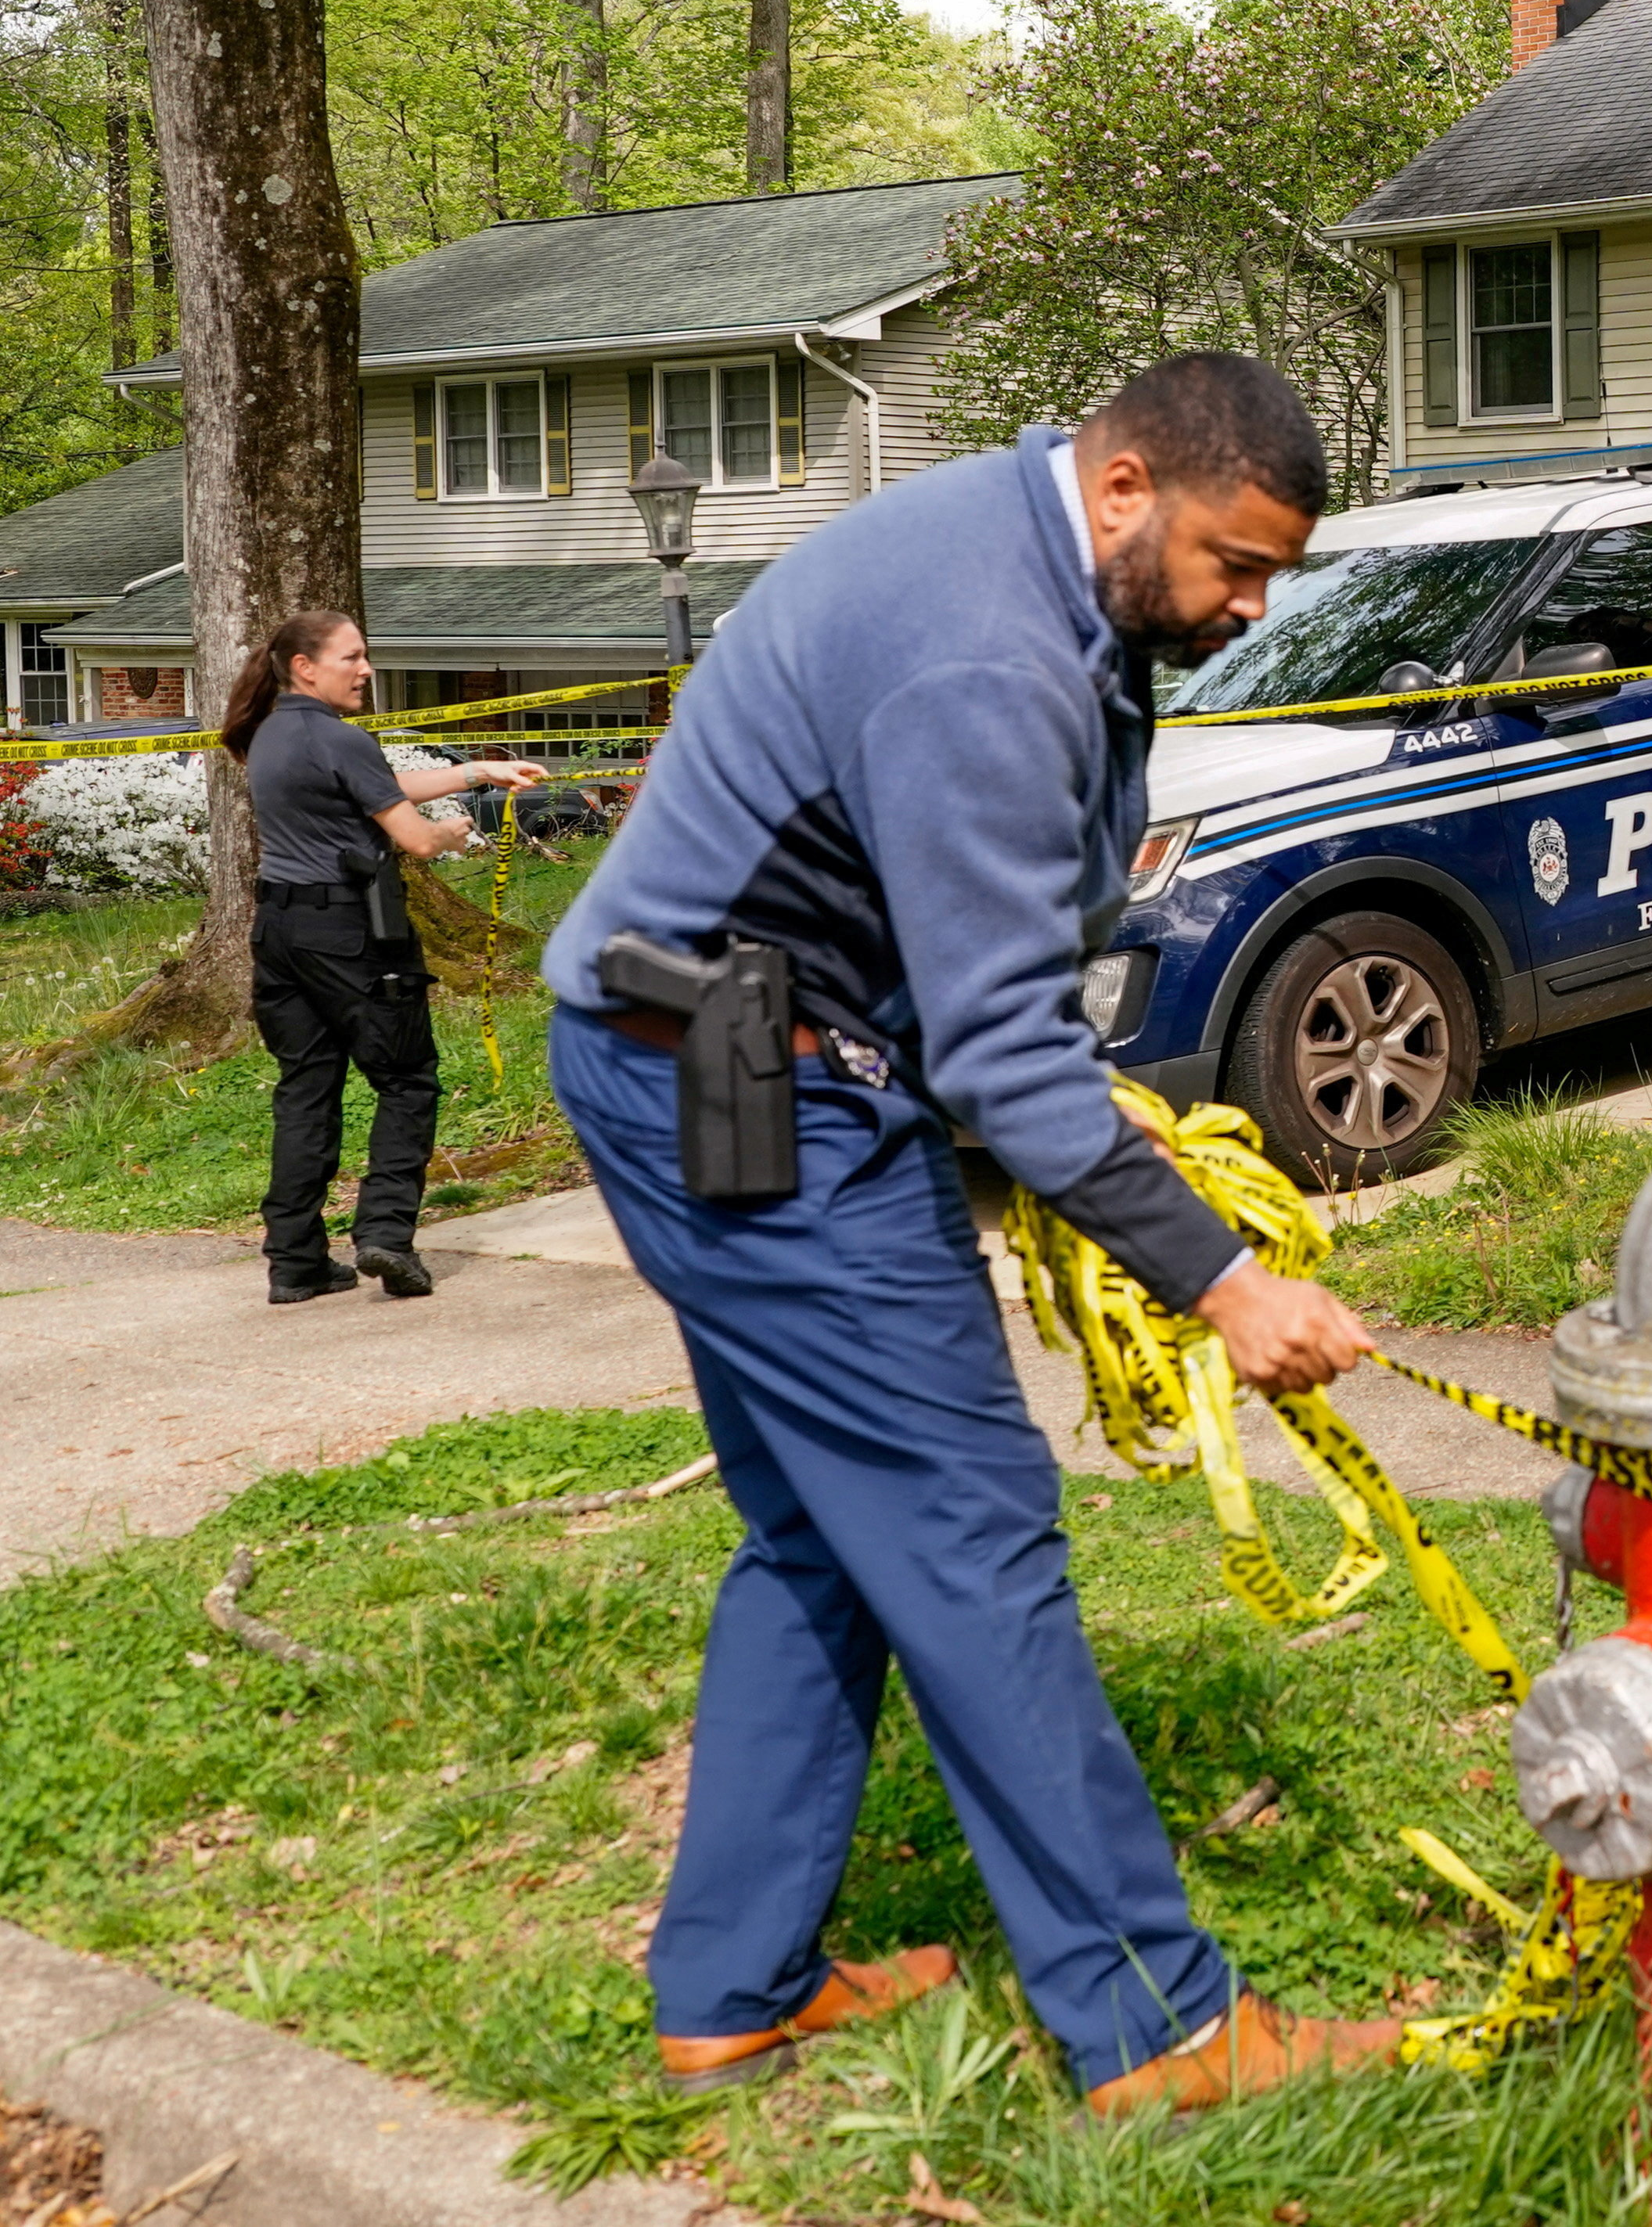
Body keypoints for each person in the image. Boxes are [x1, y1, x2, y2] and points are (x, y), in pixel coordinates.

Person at [542, 351, 1400, 2118]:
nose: (1248, 605)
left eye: (1271, 574)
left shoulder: (1044, 584)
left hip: (714, 1047)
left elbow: (978, 974)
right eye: (1233, 562)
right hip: (741, 1073)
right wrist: (1223, 1279)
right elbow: (1007, 1046)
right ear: (1124, 485)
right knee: (971, 1524)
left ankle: (731, 1990)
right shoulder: (985, 646)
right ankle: (1155, 2024)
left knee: (822, 1530)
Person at [220, 613, 545, 1308]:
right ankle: (387, 1236)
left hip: (279, 929)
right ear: (306, 666)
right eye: (353, 657)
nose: (365, 669)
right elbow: (417, 841)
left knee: (306, 1086)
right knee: (407, 1078)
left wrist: (477, 769)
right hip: (351, 931)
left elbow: (372, 783)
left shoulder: (271, 731)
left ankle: (296, 1262)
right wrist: (455, 830)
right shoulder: (342, 737)